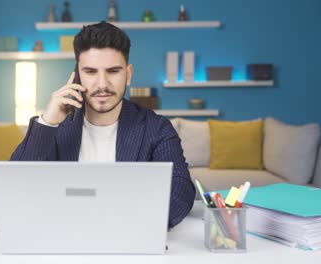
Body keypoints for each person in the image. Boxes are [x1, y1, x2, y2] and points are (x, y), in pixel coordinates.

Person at [11, 21, 195, 228]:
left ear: (128, 74)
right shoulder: (55, 127)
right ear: (77, 75)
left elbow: (181, 190)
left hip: (129, 238)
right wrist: (47, 122)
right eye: (90, 72)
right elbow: (16, 187)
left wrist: (124, 223)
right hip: (63, 235)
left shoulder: (157, 128)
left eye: (113, 71)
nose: (102, 84)